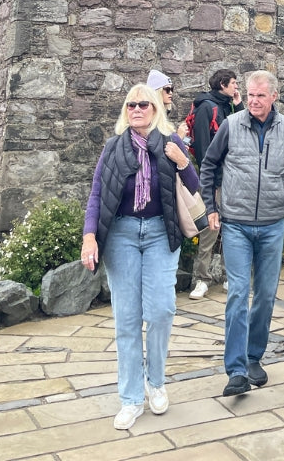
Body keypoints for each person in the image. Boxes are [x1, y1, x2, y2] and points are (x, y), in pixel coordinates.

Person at [80, 84, 197, 431]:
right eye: (131, 104)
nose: (136, 109)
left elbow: (194, 187)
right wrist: (89, 236)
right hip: (122, 235)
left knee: (161, 309)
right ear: (125, 110)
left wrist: (184, 161)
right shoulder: (114, 147)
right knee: (127, 319)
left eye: (143, 104)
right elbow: (97, 194)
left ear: (155, 108)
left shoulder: (170, 143)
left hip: (161, 232)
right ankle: (131, 398)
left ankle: (155, 381)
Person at [199, 70, 284, 397]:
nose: (253, 101)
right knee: (237, 292)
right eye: (250, 95)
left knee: (265, 294)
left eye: (260, 96)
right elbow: (209, 165)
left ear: (274, 96)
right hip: (234, 223)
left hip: (272, 225)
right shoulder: (232, 126)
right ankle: (235, 370)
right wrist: (211, 207)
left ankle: (253, 357)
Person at [186, 69, 242, 299]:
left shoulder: (227, 104)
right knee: (210, 229)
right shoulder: (207, 107)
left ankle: (231, 277)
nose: (237, 87)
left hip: (231, 178)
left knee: (232, 228)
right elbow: (202, 148)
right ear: (222, 84)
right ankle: (202, 279)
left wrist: (238, 105)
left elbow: (243, 129)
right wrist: (209, 182)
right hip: (215, 181)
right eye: (234, 84)